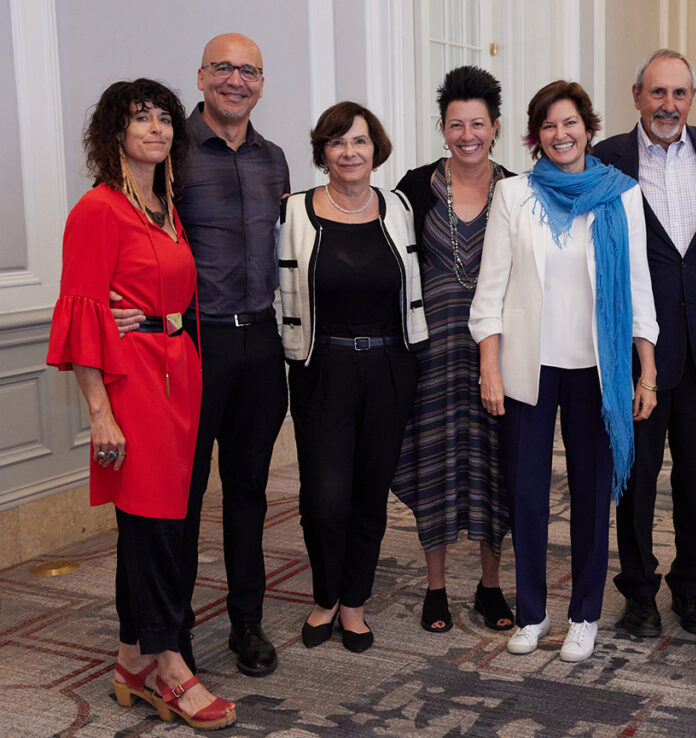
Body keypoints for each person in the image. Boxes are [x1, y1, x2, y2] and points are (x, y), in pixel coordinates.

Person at [47, 79, 235, 730]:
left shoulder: (166, 207)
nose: (155, 128)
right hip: (131, 387)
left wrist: (165, 324)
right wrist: (100, 410)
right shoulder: (97, 210)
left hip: (177, 374)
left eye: (162, 118)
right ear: (114, 133)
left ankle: (129, 658)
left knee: (170, 524)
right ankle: (167, 665)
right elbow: (81, 313)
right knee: (154, 529)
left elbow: (167, 295)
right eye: (139, 118)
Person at [114, 33, 290, 677]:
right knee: (179, 499)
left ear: (261, 84)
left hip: (261, 343)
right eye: (224, 68)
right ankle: (172, 634)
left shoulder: (275, 160)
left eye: (249, 71)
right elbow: (136, 229)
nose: (236, 80)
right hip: (192, 344)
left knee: (249, 492)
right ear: (201, 76)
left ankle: (247, 624)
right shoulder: (171, 151)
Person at [469, 81, 659, 663]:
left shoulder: (621, 195)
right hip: (529, 364)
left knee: (590, 493)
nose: (561, 134)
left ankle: (584, 614)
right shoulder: (514, 195)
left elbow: (639, 287)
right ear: (536, 135)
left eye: (570, 122)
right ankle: (532, 613)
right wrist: (489, 367)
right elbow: (491, 290)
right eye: (549, 126)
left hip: (597, 369)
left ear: (588, 128)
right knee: (525, 491)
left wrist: (645, 372)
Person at [593, 49, 696, 637]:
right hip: (636, 351)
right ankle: (637, 593)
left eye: (679, 94)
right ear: (636, 96)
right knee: (633, 477)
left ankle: (692, 589)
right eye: (657, 93)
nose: (668, 105)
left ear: (692, 99)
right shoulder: (606, 159)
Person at [279, 102, 428, 654]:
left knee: (369, 492)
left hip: (391, 366)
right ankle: (325, 596)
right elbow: (273, 288)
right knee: (324, 497)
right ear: (323, 151)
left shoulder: (399, 208)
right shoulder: (293, 212)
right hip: (323, 367)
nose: (350, 152)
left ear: (375, 148)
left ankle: (355, 604)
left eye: (360, 141)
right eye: (338, 142)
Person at [392, 66, 515, 634]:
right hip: (433, 355)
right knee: (435, 462)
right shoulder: (415, 187)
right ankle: (435, 587)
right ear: (443, 128)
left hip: (501, 354)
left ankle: (491, 587)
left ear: (496, 127)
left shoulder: (518, 190)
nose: (468, 135)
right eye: (456, 124)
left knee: (498, 467)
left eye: (479, 124)